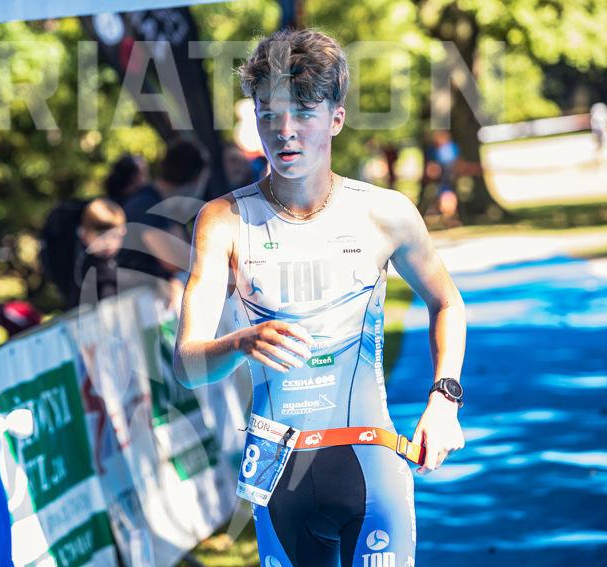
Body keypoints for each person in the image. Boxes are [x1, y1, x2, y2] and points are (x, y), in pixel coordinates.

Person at [173, 29, 466, 567]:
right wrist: (240, 342)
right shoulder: (223, 220)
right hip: (278, 474)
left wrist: (444, 399)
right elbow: (187, 367)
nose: (284, 131)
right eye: (268, 114)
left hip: (371, 463)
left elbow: (446, 301)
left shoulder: (383, 212)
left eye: (304, 113)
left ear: (336, 117)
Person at [116, 138, 210, 305]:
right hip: (132, 304)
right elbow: (176, 260)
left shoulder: (161, 204)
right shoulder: (145, 203)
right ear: (197, 180)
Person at [74, 197, 126, 304]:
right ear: (84, 235)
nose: (108, 242)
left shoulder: (116, 259)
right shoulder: (88, 267)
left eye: (114, 235)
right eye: (100, 236)